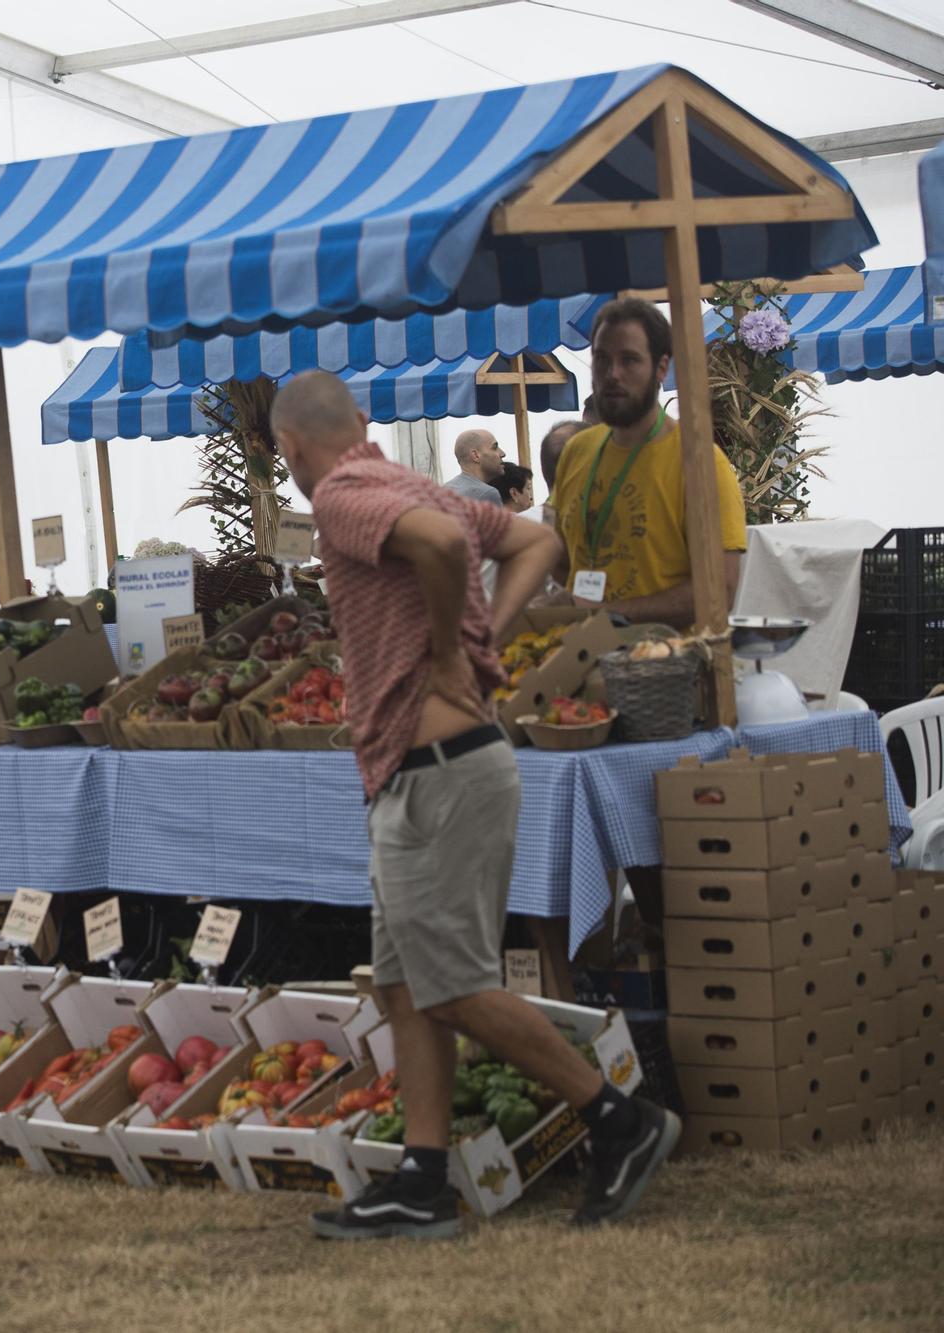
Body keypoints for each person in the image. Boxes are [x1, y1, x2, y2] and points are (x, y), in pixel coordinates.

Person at [267, 372, 678, 1240]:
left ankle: (619, 1118)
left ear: (292, 448)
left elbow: (445, 553)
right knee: (404, 983)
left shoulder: (344, 493)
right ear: (363, 423)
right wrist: (480, 629)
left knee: (451, 985)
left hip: (439, 772)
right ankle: (421, 1177)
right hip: (426, 771)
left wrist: (457, 651)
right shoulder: (413, 483)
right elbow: (539, 540)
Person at [549, 299, 747, 626]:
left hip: (664, 665)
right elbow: (559, 553)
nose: (612, 375)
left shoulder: (700, 463)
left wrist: (610, 614)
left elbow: (719, 592)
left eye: (629, 360)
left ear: (661, 368)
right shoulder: (576, 451)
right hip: (576, 661)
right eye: (601, 359)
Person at [443, 429, 505, 505]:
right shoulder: (487, 494)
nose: (503, 454)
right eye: (494, 448)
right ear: (475, 456)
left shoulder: (443, 491)